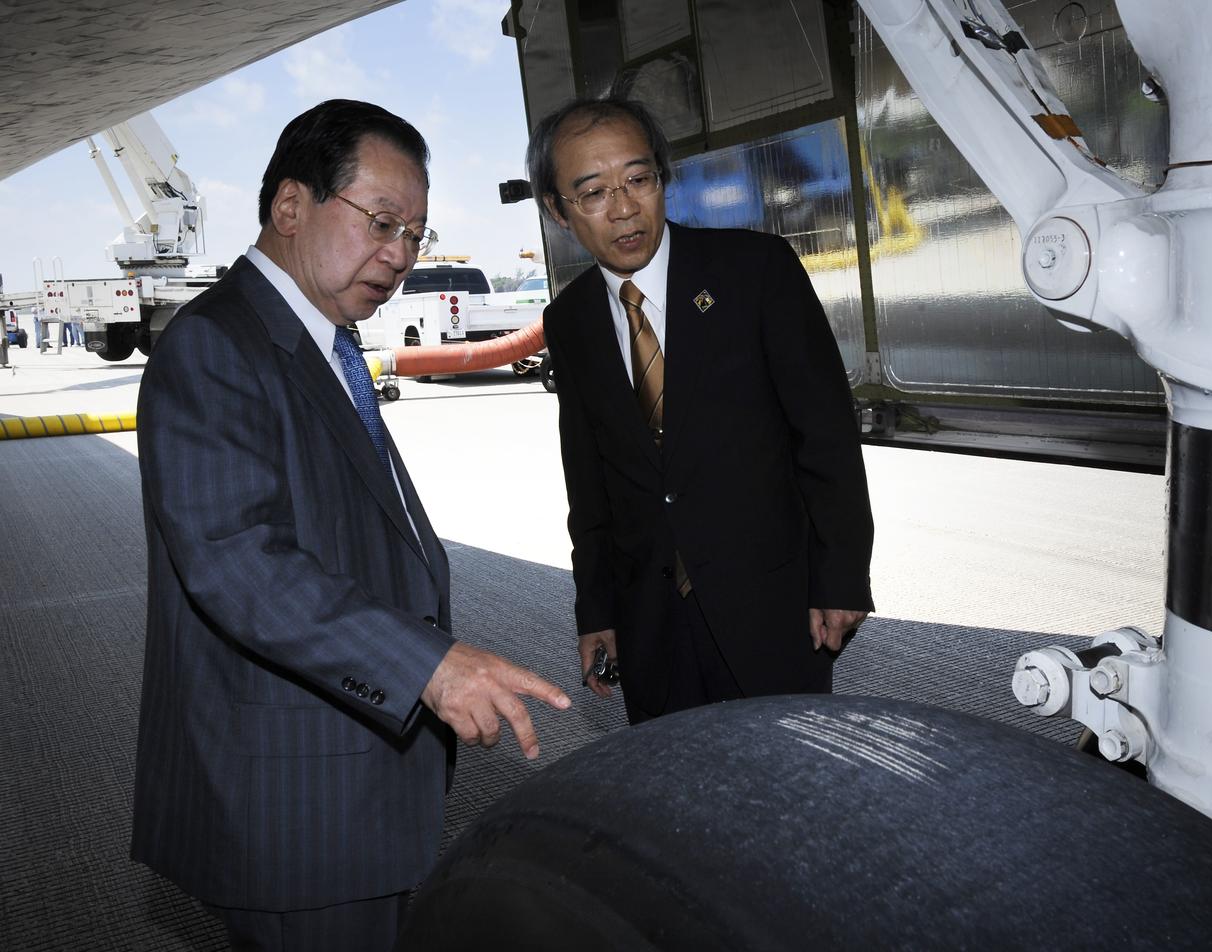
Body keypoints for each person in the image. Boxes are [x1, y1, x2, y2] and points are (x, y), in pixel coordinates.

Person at [130, 99, 571, 951]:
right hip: (295, 795)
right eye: (383, 222)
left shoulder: (315, 338)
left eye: (416, 234)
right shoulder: (215, 346)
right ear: (291, 206)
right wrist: (427, 664)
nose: (401, 255)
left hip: (353, 770)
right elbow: (237, 561)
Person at [531, 96, 875, 724]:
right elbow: (588, 477)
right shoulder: (570, 319)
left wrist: (842, 577)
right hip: (652, 621)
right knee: (675, 805)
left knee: (787, 787)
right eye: (594, 193)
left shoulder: (756, 271)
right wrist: (598, 610)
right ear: (557, 210)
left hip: (771, 600)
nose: (625, 207)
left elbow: (824, 436)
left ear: (662, 178)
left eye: (639, 178)